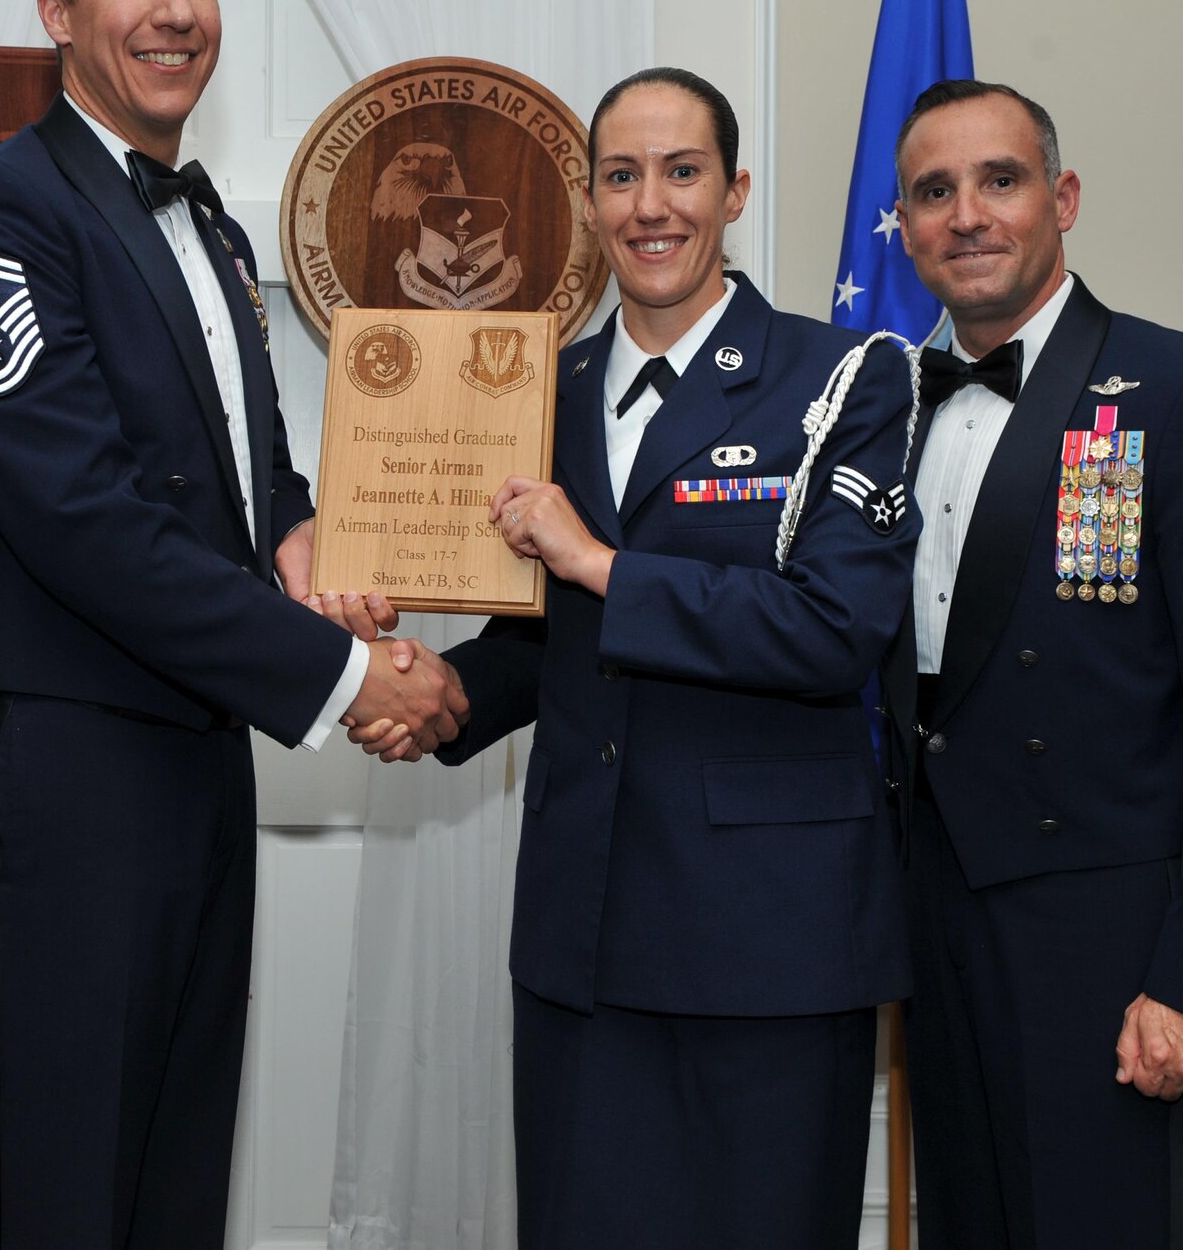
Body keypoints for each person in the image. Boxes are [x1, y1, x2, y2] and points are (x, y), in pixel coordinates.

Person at [0, 0, 463, 1249]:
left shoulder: (201, 221)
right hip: (64, 773)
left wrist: (311, 536)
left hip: (192, 757)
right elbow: (85, 520)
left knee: (170, 1184)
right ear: (55, 9)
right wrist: (343, 677)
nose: (176, 9)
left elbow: (243, 473)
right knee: (68, 1193)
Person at [358, 67, 923, 1247]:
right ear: (587, 197)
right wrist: (439, 698)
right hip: (585, 926)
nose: (649, 204)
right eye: (621, 176)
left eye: (681, 172)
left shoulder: (844, 377)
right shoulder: (540, 386)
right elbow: (544, 636)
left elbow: (833, 630)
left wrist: (597, 563)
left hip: (770, 937)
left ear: (732, 192)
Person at [882, 78, 1183, 1248]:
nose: (967, 215)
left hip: (1118, 946)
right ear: (903, 225)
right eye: (934, 192)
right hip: (933, 923)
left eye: (999, 180)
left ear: (1060, 197)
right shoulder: (876, 409)